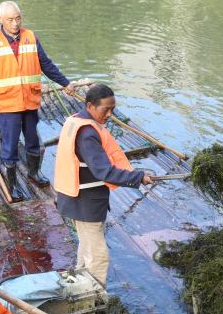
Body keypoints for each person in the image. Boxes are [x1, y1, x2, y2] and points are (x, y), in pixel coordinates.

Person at [53, 83, 154, 286]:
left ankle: (79, 285)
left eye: (112, 109)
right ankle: (95, 298)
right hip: (85, 201)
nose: (109, 114)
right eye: (105, 109)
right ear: (90, 106)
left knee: (86, 247)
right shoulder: (87, 133)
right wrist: (138, 177)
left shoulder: (75, 121)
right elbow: (103, 171)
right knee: (99, 256)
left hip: (72, 196)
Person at [0, 0, 75, 198]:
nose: (15, 23)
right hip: (8, 104)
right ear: (0, 19)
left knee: (33, 141)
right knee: (10, 146)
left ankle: (34, 173)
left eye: (18, 18)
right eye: (10, 19)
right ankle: (11, 185)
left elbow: (46, 65)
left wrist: (65, 83)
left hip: (30, 101)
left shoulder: (31, 37)